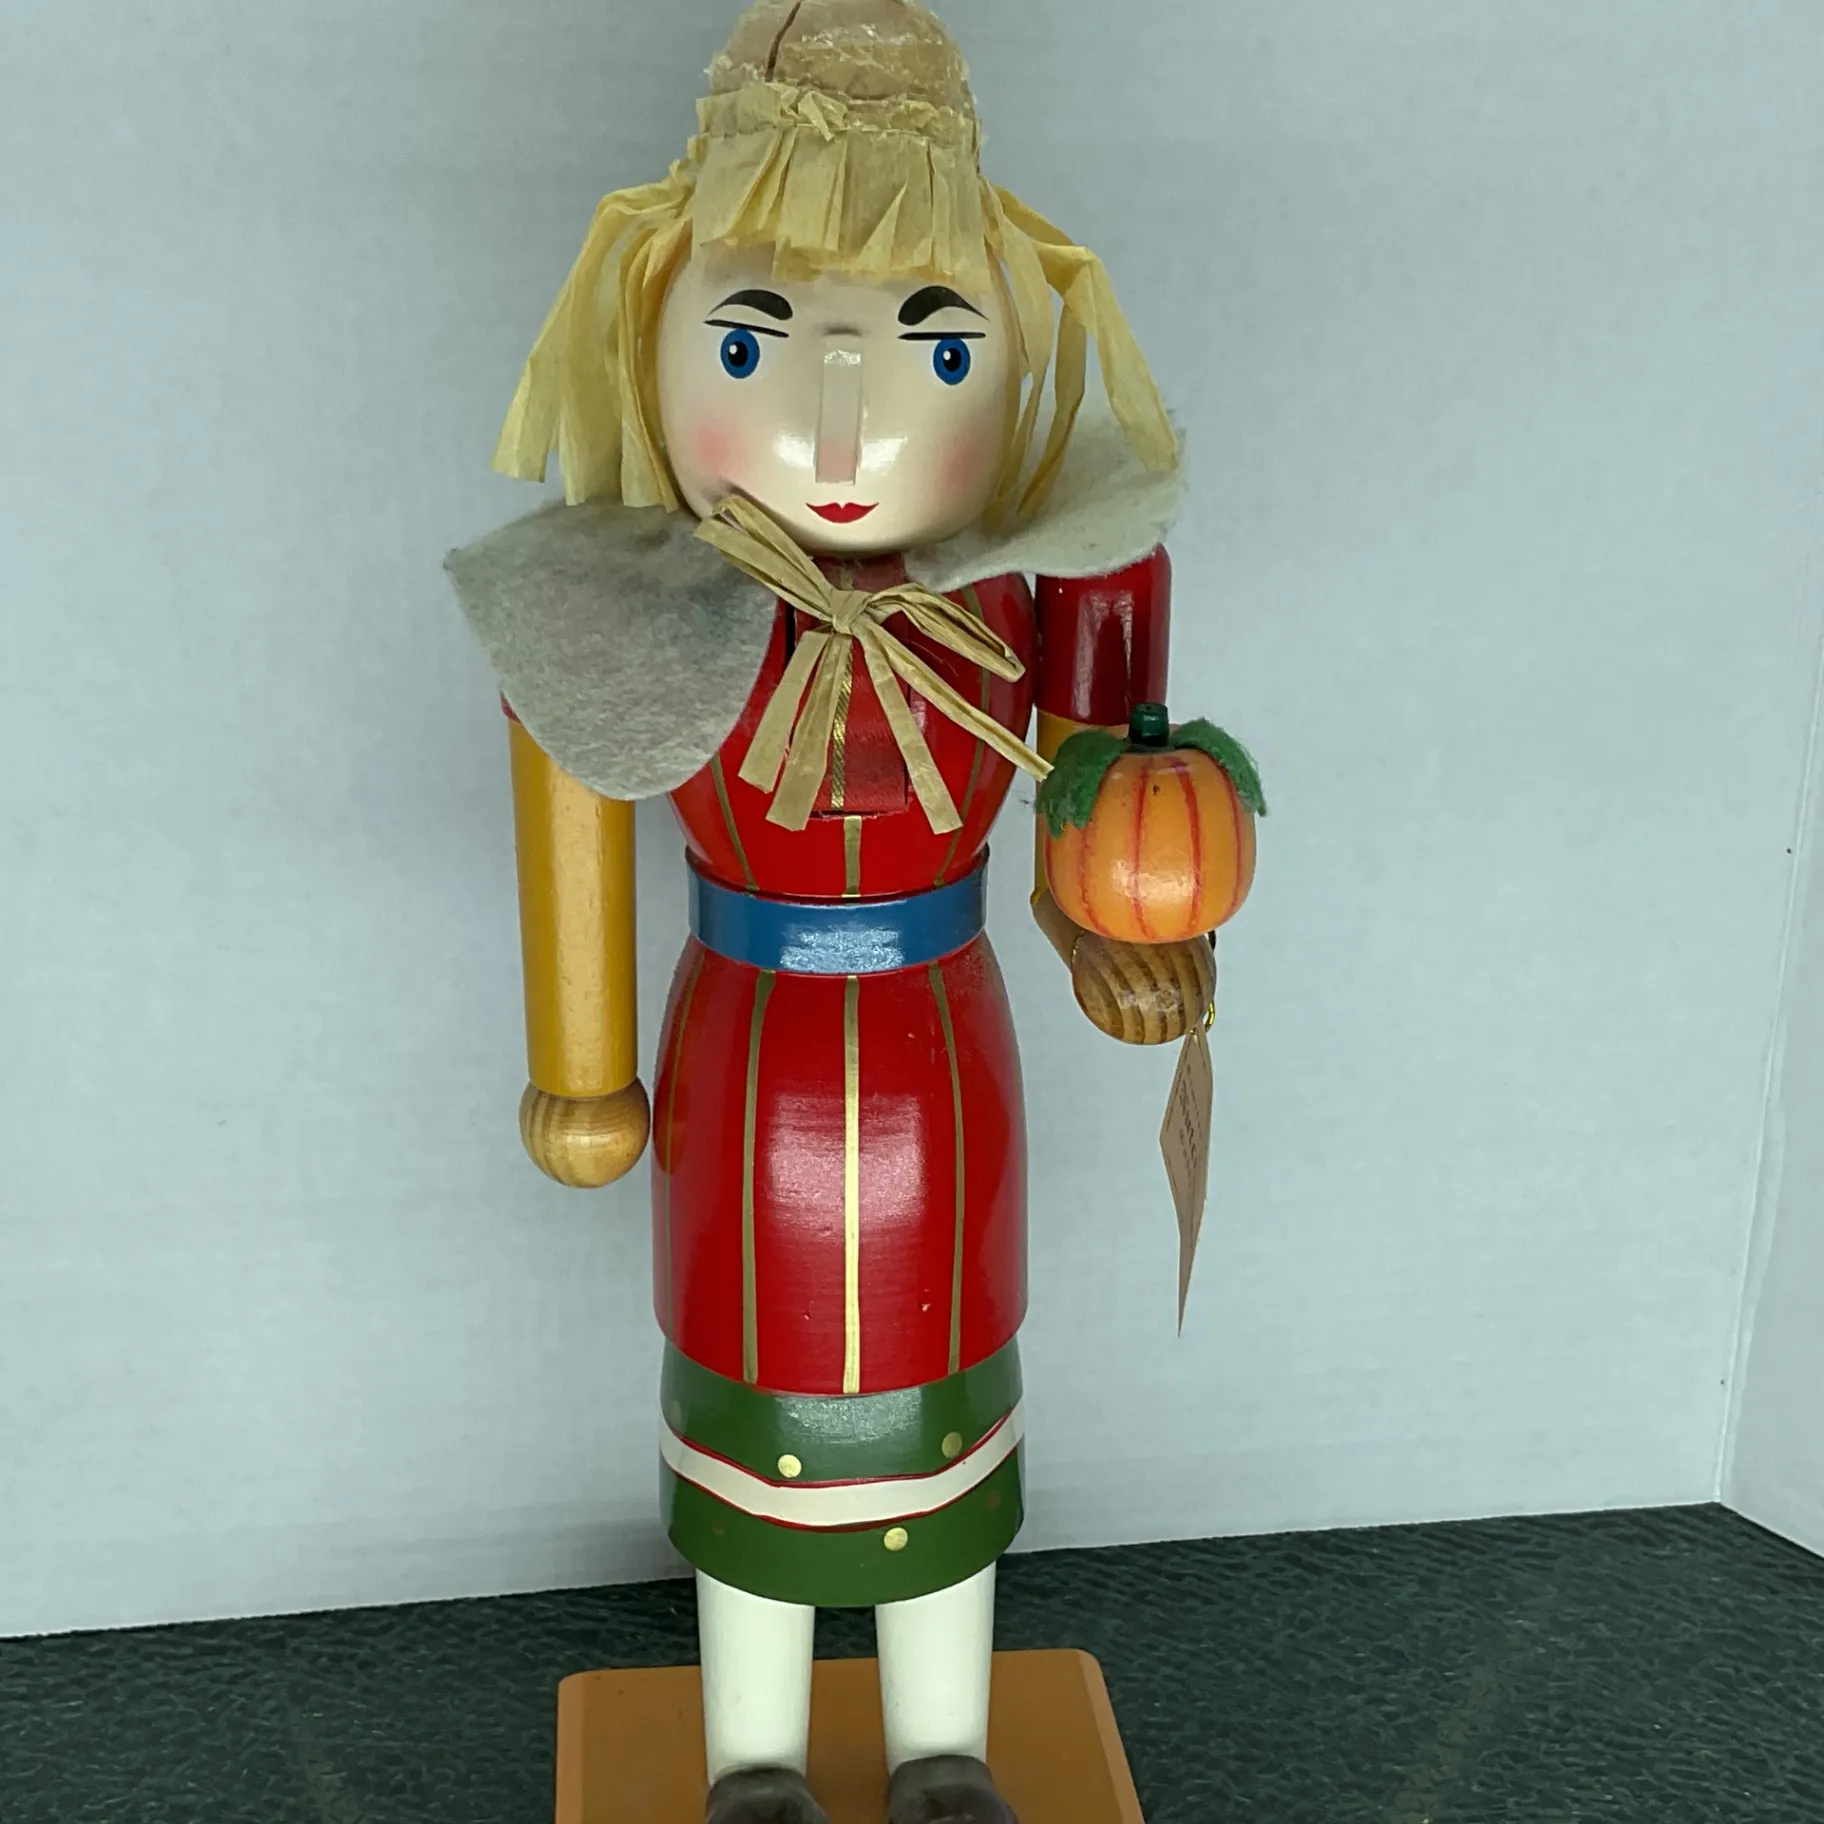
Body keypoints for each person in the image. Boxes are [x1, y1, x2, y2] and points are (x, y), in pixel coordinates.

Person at [449, 4, 1212, 1819]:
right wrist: (580, 1071)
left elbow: (1102, 806)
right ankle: (757, 1765)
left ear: (1012, 350)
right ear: (650, 335)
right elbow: (570, 796)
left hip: (950, 1064)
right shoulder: (628, 611)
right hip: (747, 1072)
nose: (845, 421)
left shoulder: (1047, 596)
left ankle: (948, 1752)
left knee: (946, 1422)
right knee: (754, 1432)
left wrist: (1119, 924)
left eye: (934, 349)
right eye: (755, 343)